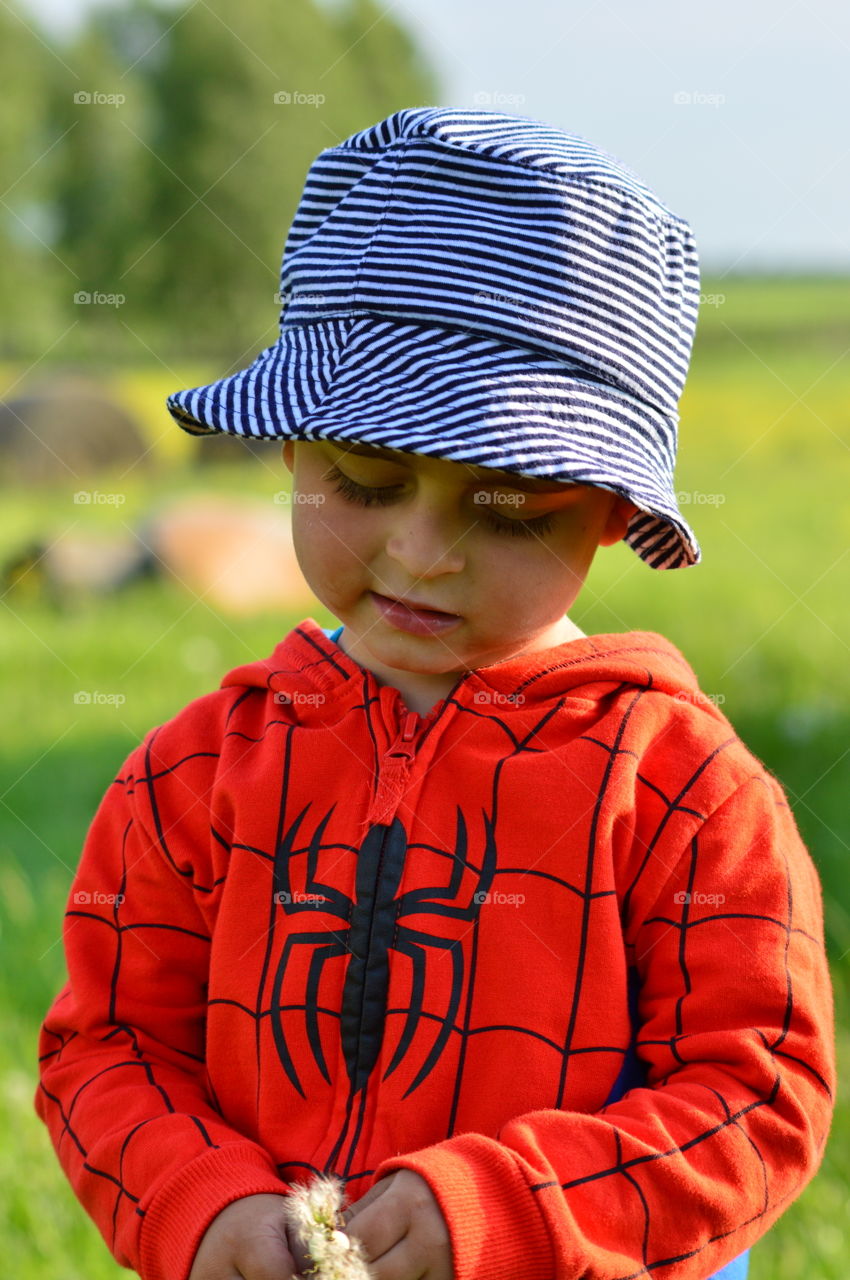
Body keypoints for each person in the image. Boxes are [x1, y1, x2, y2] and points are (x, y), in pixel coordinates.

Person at [35, 107, 835, 1280]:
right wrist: (199, 1202)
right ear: (290, 450)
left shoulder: (684, 790)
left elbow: (757, 1089)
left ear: (613, 508)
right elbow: (109, 1046)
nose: (422, 553)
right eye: (363, 481)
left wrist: (511, 1206)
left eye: (508, 504)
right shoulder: (193, 774)